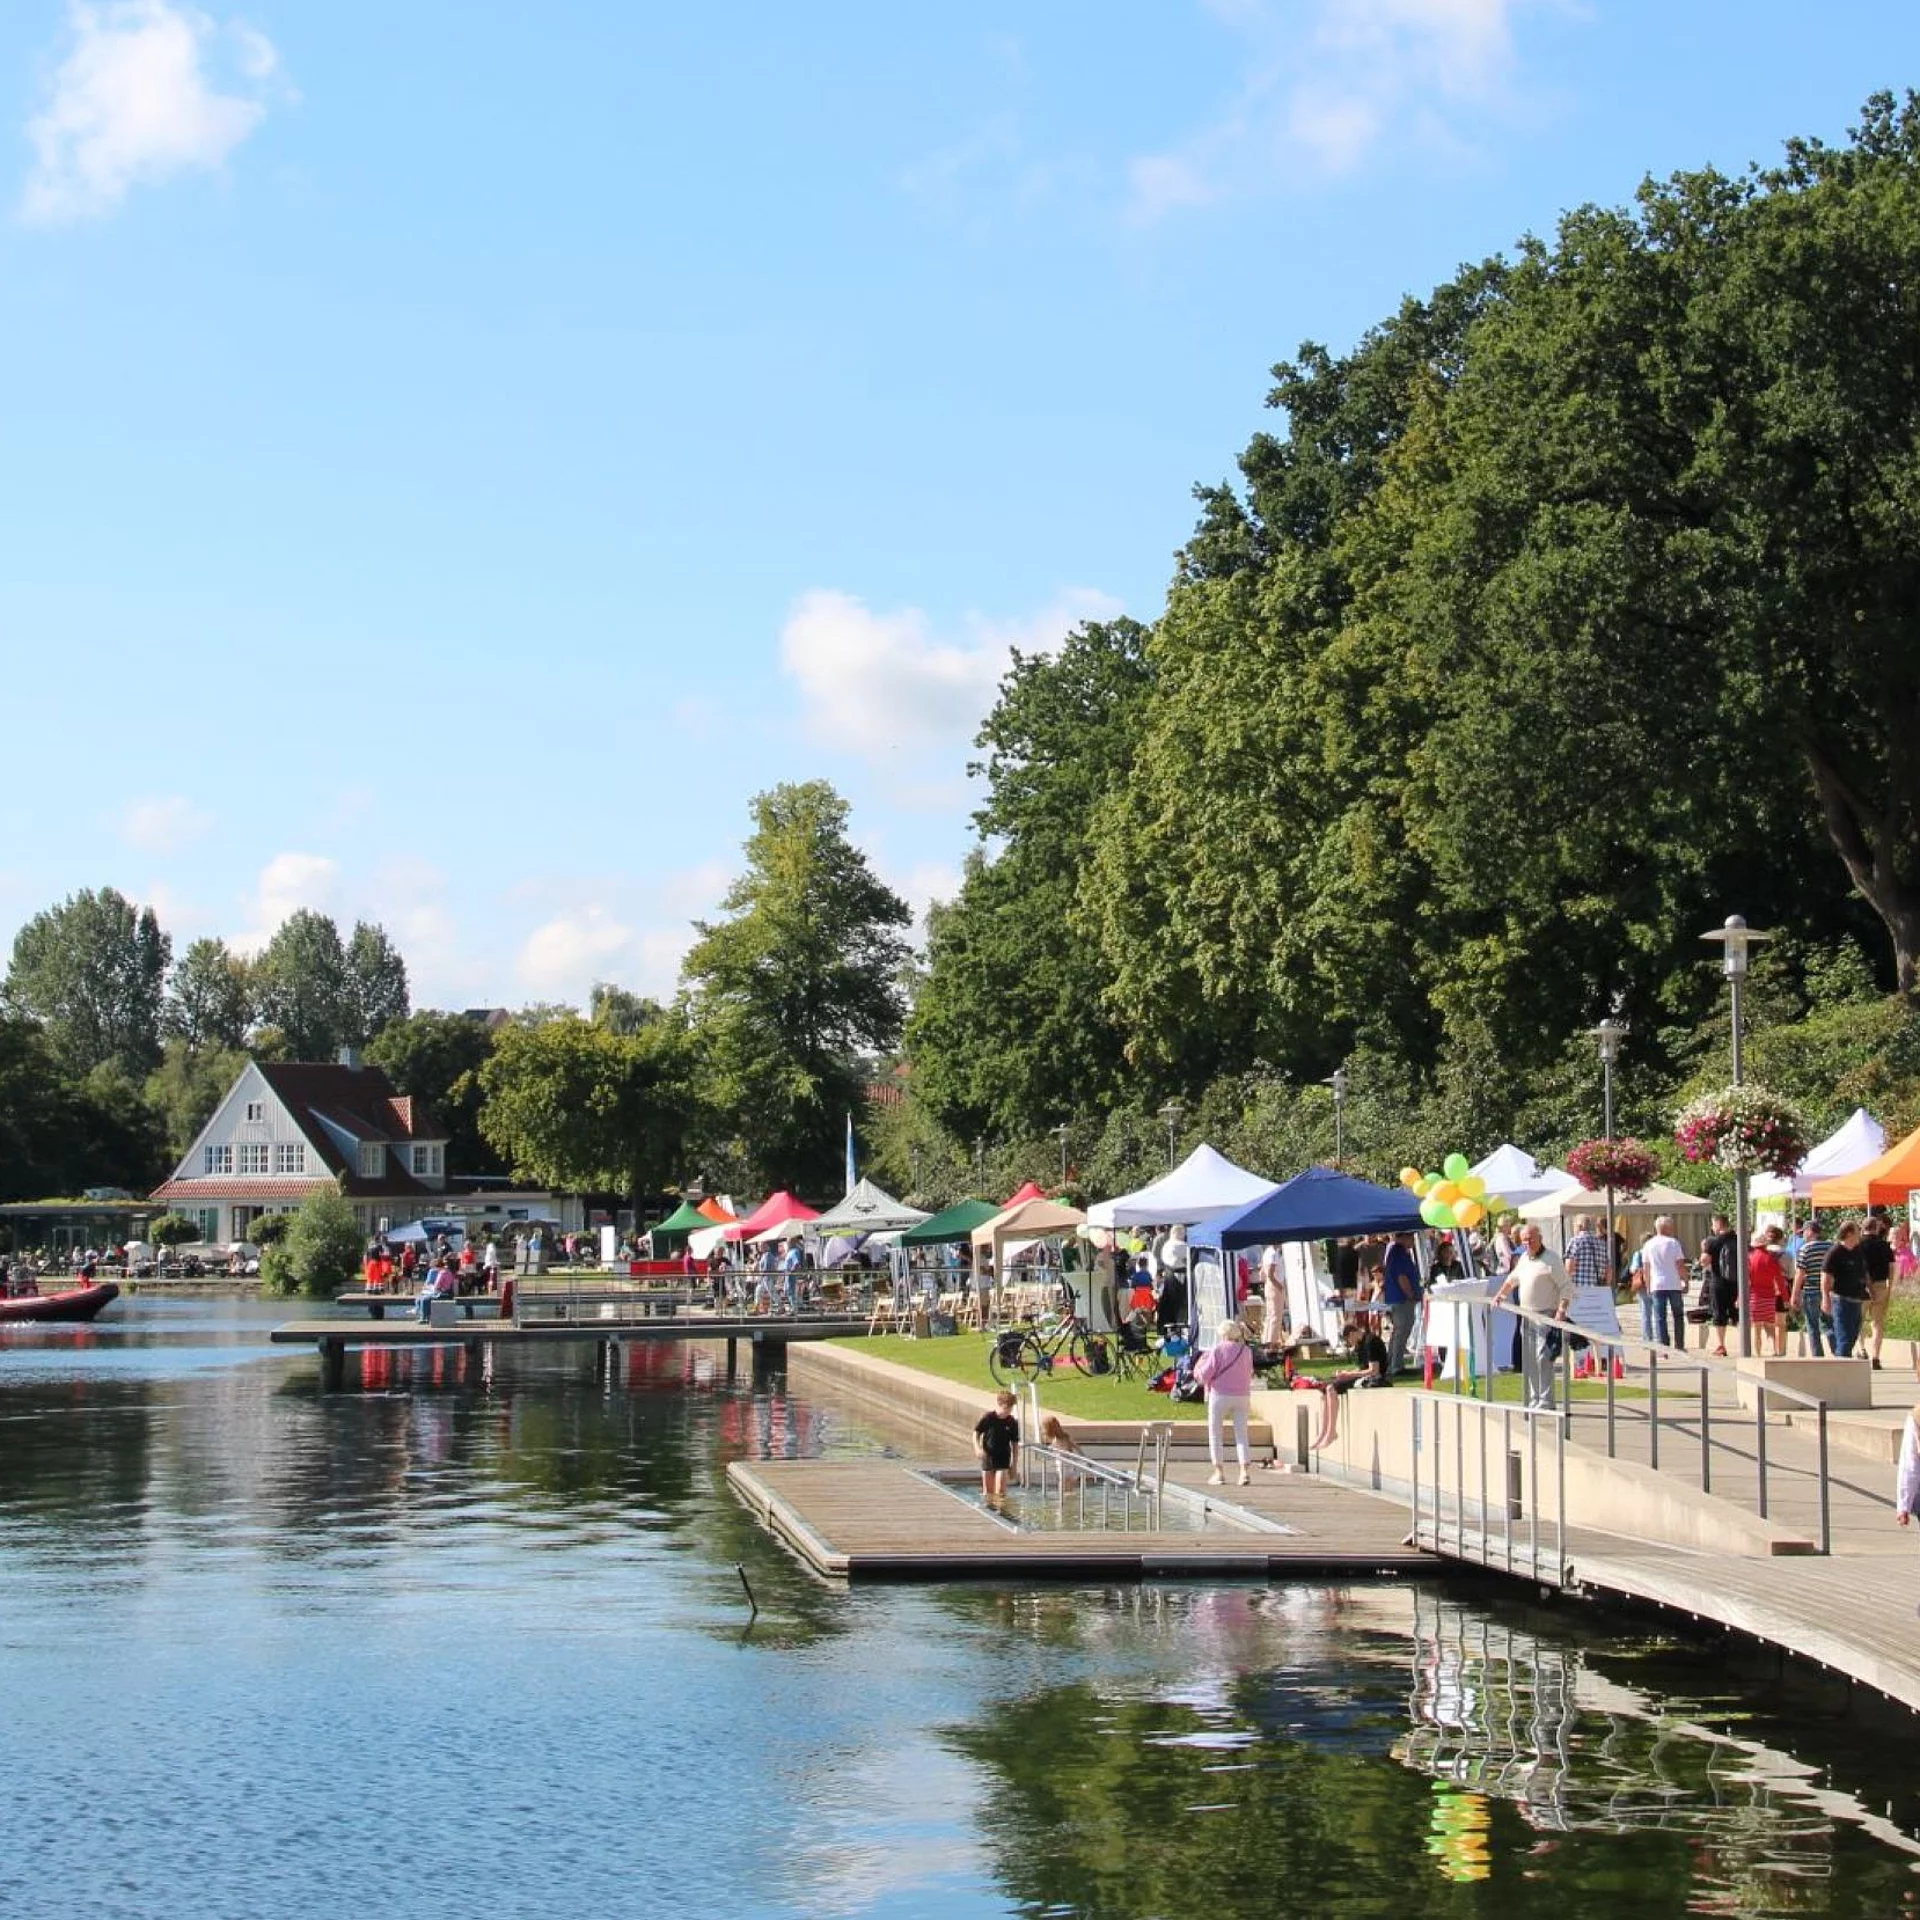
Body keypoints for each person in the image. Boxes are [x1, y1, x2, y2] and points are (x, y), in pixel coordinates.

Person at [1496, 1223, 1575, 1409]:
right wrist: (1501, 1294)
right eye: (1524, 1240)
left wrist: (1561, 1310)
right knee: (1530, 1358)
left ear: (1540, 1238)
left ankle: (1546, 1400)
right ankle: (1535, 1396)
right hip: (1526, 1315)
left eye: (1531, 1239)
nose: (1528, 1242)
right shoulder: (1524, 1258)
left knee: (1543, 1357)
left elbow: (1566, 1287)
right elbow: (1512, 1279)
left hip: (1546, 1314)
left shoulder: (1551, 1259)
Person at [1310, 1317, 1392, 1449]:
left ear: (1352, 1334)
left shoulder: (1371, 1342)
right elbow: (1361, 1368)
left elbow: (1374, 1370)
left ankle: (1331, 1432)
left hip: (1376, 1379)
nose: (1350, 1344)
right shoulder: (1361, 1345)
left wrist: (1348, 1375)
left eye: (1348, 1341)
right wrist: (1345, 1373)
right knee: (1324, 1389)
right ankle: (1323, 1432)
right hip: (1365, 1376)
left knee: (1332, 1389)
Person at [1195, 1318, 1256, 1487]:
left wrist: (1197, 1369)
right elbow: (1249, 1371)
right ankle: (1244, 1472)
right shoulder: (1246, 1351)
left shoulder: (1217, 1350)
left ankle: (1219, 1472)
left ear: (1222, 1334)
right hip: (1242, 1395)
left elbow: (1204, 1375)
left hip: (1220, 1394)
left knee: (1215, 1433)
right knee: (1242, 1434)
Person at [1639, 1216, 1690, 1350]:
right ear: (1667, 1228)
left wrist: (1648, 1286)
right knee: (1678, 1315)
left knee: (1660, 1316)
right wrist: (1685, 1280)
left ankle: (1664, 1346)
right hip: (1673, 1283)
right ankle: (1679, 1345)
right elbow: (1680, 1264)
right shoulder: (1673, 1243)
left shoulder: (1648, 1245)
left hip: (1657, 1284)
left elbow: (1646, 1268)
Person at [1822, 1222, 1870, 1359]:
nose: (1860, 1234)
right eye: (1857, 1231)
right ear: (1849, 1233)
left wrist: (1870, 1289)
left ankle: (1840, 1353)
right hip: (1840, 1301)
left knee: (1853, 1336)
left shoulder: (1857, 1251)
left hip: (1857, 1300)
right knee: (1844, 1339)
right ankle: (1842, 1369)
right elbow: (1825, 1278)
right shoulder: (1835, 1252)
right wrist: (1825, 1298)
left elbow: (1864, 1272)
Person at [1380, 1232, 1424, 1376]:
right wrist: (1410, 1294)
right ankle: (1396, 1365)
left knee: (1399, 1331)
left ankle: (1391, 1362)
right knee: (1402, 1330)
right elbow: (1402, 1276)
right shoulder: (1398, 1253)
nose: (1412, 1240)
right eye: (1411, 1237)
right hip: (1402, 1299)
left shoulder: (1396, 1252)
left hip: (1398, 1298)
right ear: (1403, 1237)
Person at [1700, 1214, 1741, 1358]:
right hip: (1737, 1282)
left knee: (1719, 1313)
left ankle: (1721, 1345)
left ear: (1718, 1224)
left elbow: (1704, 1260)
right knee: (1738, 1314)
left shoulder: (1713, 1242)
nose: (1712, 1227)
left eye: (1713, 1224)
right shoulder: (1738, 1239)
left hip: (1719, 1281)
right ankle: (1743, 1344)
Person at [1748, 1229, 1789, 1358]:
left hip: (1754, 1296)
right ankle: (1776, 1350)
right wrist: (1785, 1298)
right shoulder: (1770, 1259)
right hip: (1769, 1297)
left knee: (1757, 1329)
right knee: (1770, 1325)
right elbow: (1779, 1280)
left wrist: (1739, 1297)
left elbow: (1746, 1281)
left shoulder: (1750, 1258)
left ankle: (1758, 1353)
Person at [1862, 1215, 1895, 1370]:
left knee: (1859, 1321)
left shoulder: (1858, 1245)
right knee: (1877, 1323)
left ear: (1863, 1228)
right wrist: (1890, 1285)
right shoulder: (1884, 1245)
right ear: (1876, 1228)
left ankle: (1861, 1350)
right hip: (1881, 1286)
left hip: (1861, 1288)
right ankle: (1876, 1356)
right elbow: (1892, 1267)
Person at [974, 1390, 1020, 1503]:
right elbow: (976, 1432)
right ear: (1000, 1405)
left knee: (1000, 1491)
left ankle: (1001, 1512)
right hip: (988, 1456)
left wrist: (1014, 1465)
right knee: (988, 1492)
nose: (1009, 1411)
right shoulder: (989, 1417)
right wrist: (977, 1447)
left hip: (1003, 1458)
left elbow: (1015, 1444)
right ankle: (989, 1509)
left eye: (1011, 1408)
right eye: (1007, 1408)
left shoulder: (1012, 1422)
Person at [1797, 1222, 1835, 1356]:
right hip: (1829, 1291)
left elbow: (1800, 1273)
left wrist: (1795, 1294)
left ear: (1810, 1231)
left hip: (1811, 1291)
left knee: (1812, 1325)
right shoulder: (1831, 1247)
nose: (1802, 1235)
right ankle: (1837, 1352)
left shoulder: (1805, 1249)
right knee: (1829, 1323)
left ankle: (1817, 1355)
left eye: (1804, 1232)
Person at [1260, 1242, 1285, 1347]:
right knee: (1276, 1314)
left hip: (1269, 1285)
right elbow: (1270, 1273)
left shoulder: (1267, 1252)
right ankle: (1272, 1342)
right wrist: (1279, 1285)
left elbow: (1262, 1273)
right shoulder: (1273, 1253)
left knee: (1270, 1314)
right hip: (1274, 1285)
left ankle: (1266, 1339)